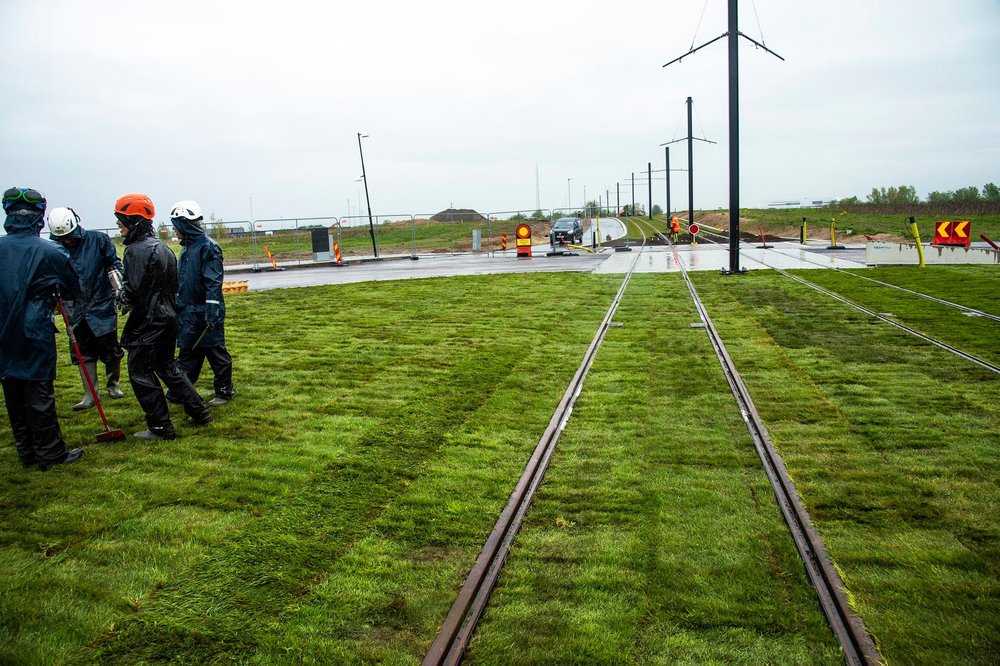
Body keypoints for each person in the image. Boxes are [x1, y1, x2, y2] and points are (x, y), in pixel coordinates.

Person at [114, 193, 210, 440]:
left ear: (133, 221)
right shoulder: (164, 248)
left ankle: (160, 427)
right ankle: (199, 410)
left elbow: (133, 292)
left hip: (147, 323)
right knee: (168, 367)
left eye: (121, 220)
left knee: (141, 373)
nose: (118, 225)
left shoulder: (135, 251)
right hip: (168, 319)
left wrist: (120, 294)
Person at [0, 187, 84, 470]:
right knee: (38, 394)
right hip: (34, 329)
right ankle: (49, 453)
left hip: (3, 332)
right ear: (39, 217)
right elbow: (73, 287)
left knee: (12, 390)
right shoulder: (51, 252)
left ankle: (26, 451)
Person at [47, 207, 126, 410]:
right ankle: (90, 394)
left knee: (110, 348)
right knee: (82, 352)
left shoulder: (98, 240)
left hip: (100, 303)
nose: (67, 241)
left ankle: (113, 385)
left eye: (70, 237)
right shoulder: (53, 248)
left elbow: (114, 264)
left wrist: (119, 288)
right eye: (62, 238)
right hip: (73, 307)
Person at [165, 201, 235, 407]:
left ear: (184, 225)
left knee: (215, 351)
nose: (174, 230)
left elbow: (213, 282)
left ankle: (224, 390)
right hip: (189, 310)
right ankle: (180, 391)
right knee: (189, 352)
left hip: (205, 311)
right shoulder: (186, 249)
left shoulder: (208, 247)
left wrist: (212, 311)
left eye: (175, 225)